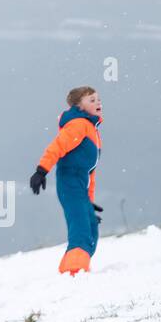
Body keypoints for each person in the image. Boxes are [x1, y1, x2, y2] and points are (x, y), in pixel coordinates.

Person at [29, 87, 104, 274]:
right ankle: (74, 271)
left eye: (98, 99)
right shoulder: (78, 124)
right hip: (69, 184)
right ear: (79, 105)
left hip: (80, 187)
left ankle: (72, 268)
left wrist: (90, 200)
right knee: (81, 230)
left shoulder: (92, 130)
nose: (98, 103)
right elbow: (57, 146)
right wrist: (41, 170)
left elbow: (90, 173)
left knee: (91, 228)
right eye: (92, 100)